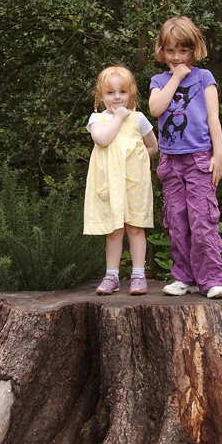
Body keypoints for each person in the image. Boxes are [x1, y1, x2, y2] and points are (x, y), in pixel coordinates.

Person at [148, 16, 222, 299]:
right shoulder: (159, 80)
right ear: (161, 51)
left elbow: (213, 117)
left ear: (194, 50)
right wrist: (177, 77)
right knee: (177, 222)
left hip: (200, 160)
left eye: (183, 51)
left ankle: (212, 280)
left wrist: (218, 154)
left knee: (202, 220)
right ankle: (185, 278)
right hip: (171, 162)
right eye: (170, 51)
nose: (177, 57)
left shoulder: (205, 77)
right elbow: (156, 108)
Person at [84, 65, 159, 295]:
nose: (117, 97)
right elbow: (102, 140)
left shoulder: (139, 119)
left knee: (136, 228)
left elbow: (153, 147)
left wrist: (135, 163)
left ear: (131, 94)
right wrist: (117, 117)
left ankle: (138, 275)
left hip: (134, 185)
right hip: (110, 187)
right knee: (114, 230)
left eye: (122, 92)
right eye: (110, 93)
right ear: (100, 96)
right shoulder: (97, 119)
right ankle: (112, 276)